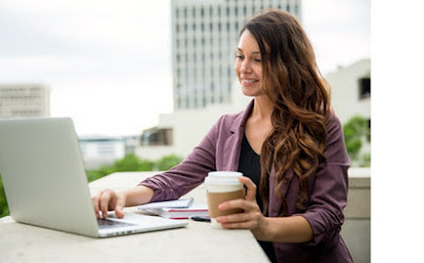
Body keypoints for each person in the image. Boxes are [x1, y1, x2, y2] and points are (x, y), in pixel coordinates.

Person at [92, 9, 352, 263]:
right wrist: (123, 196)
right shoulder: (226, 128)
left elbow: (328, 216)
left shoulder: (321, 126)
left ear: (286, 64)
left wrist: (264, 226)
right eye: (240, 56)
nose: (244, 68)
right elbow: (174, 180)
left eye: (257, 59)